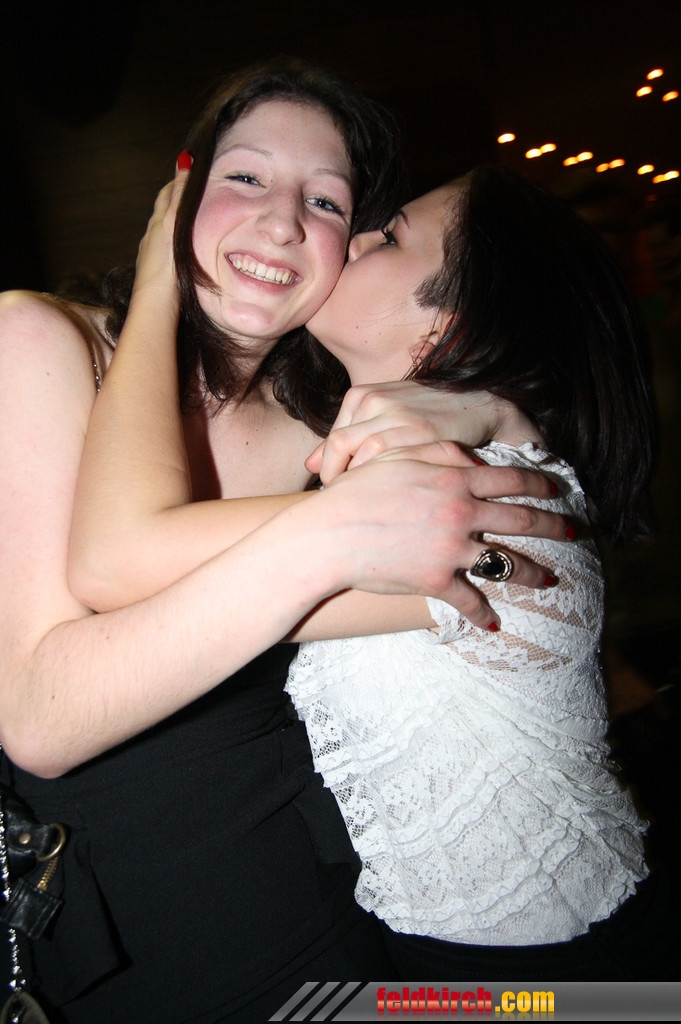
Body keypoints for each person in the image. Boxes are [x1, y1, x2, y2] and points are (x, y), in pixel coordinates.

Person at [0, 62, 565, 1022]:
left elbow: (517, 571)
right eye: (245, 177)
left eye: (326, 200)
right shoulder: (43, 343)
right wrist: (157, 288)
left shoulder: (331, 431)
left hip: (316, 917)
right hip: (113, 948)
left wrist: (492, 411)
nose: (281, 222)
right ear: (178, 198)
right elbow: (42, 718)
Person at [71, 164, 668, 982]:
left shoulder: (476, 499)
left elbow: (120, 558)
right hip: (457, 950)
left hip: (558, 976)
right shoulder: (412, 469)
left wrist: (158, 287)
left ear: (451, 327)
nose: (352, 239)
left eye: (388, 238)